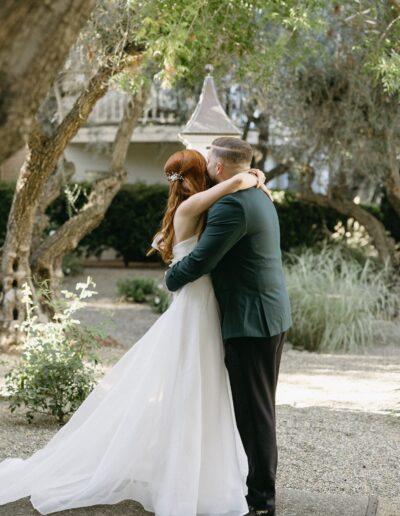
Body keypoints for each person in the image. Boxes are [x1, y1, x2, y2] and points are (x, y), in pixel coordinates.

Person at [0, 148, 269, 516]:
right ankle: (185, 478)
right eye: (203, 168)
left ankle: (200, 473)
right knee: (194, 386)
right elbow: (229, 189)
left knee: (205, 386)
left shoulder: (191, 207)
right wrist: (247, 178)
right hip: (197, 305)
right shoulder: (193, 207)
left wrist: (251, 178)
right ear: (197, 177)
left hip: (205, 304)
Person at [165, 138, 292, 516]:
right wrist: (251, 178)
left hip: (251, 320)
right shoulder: (257, 195)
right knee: (258, 408)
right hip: (268, 314)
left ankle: (261, 500)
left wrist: (171, 277)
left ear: (219, 169)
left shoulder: (232, 207)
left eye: (208, 163)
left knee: (254, 414)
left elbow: (200, 261)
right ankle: (255, 489)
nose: (203, 168)